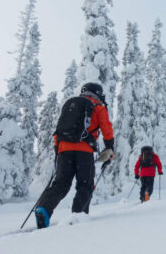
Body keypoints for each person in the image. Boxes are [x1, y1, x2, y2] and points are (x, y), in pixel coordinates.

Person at [34, 82, 115, 229]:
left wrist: (57, 149)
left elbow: (59, 129)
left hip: (64, 150)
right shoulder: (98, 107)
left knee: (61, 183)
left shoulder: (70, 104)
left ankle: (44, 208)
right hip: (84, 151)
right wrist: (110, 147)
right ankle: (78, 218)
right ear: (98, 93)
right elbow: (106, 128)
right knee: (85, 185)